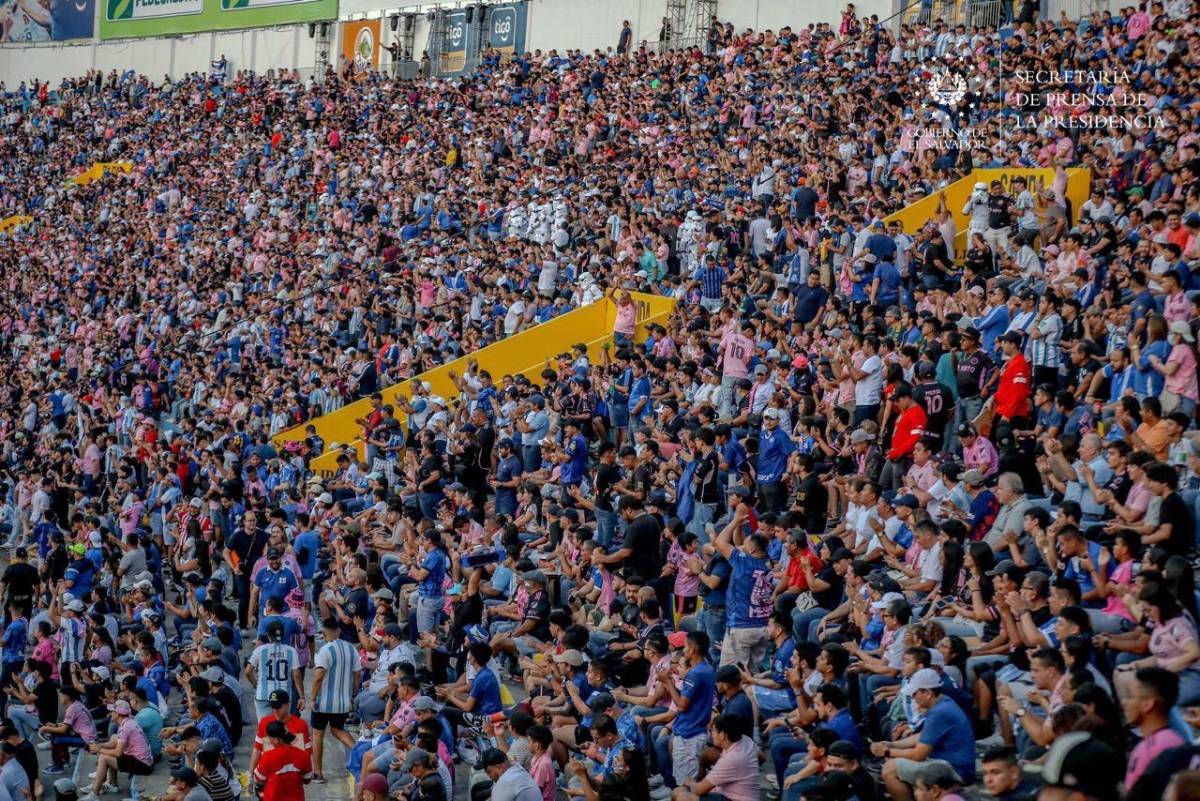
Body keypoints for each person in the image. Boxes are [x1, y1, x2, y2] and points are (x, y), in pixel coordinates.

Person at [252, 719, 312, 801]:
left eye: (270, 738)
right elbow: (307, 779)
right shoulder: (303, 755)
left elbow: (259, 778)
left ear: (276, 740)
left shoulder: (267, 756)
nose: (269, 741)